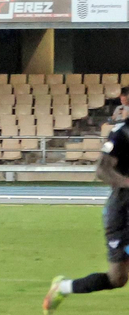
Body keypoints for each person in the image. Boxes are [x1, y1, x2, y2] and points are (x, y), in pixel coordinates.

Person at [43, 105, 129, 311]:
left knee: (117, 279)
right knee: (116, 278)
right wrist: (127, 182)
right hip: (122, 214)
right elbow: (102, 170)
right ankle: (62, 288)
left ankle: (63, 287)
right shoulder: (122, 133)